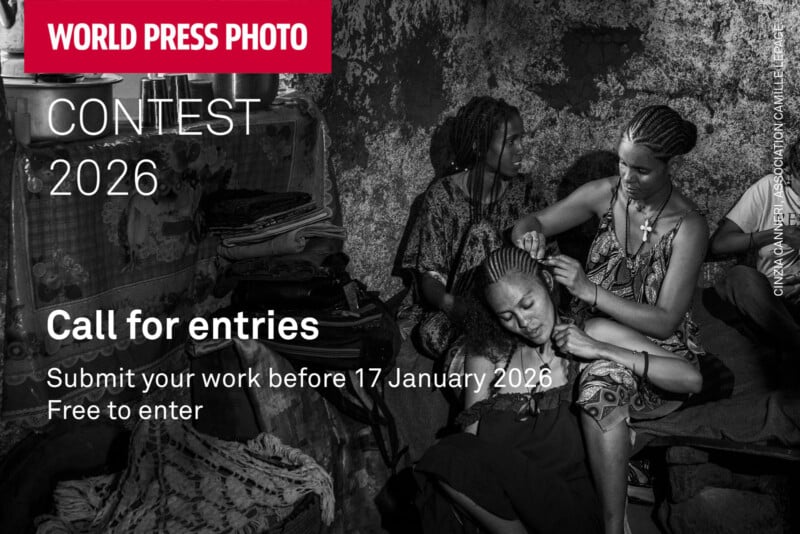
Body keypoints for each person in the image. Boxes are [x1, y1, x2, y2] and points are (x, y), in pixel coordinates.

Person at [511, 105, 709, 534]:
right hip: (591, 335)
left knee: (597, 357)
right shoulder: (605, 194)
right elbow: (533, 221)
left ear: (668, 165)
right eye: (622, 163)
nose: (627, 178)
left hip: (654, 352)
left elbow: (664, 322)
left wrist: (589, 291)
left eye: (642, 170)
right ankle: (614, 520)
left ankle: (613, 518)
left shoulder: (689, 226)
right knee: (586, 370)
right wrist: (528, 237)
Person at [414, 247, 701, 534]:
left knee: (451, 456)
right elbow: (472, 457)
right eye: (507, 316)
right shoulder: (487, 355)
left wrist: (599, 348)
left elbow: (690, 378)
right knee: (449, 456)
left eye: (528, 304)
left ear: (548, 284)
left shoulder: (592, 332)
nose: (524, 322)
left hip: (574, 508)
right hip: (509, 514)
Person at [399, 96, 547, 367]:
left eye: (521, 139)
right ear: (479, 146)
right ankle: (492, 342)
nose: (520, 150)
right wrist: (454, 306)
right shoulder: (442, 196)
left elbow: (543, 264)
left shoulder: (526, 193)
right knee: (430, 333)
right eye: (510, 142)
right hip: (465, 305)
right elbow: (430, 278)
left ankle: (487, 344)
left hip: (515, 304)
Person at [709, 138, 800, 356]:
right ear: (789, 172)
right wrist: (780, 234)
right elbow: (720, 244)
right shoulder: (771, 189)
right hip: (772, 298)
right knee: (740, 277)